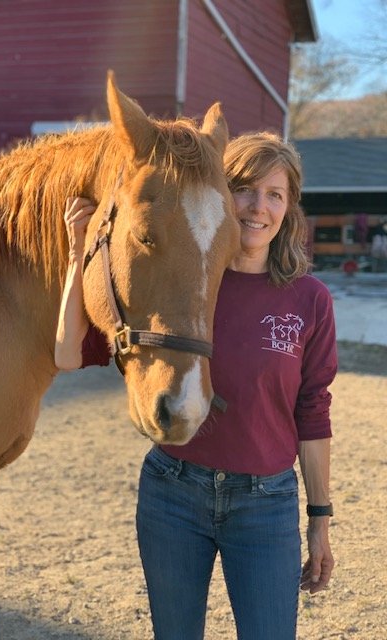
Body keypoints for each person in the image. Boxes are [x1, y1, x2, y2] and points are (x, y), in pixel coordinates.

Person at [55, 132, 337, 640]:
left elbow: (313, 411)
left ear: (289, 207)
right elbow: (67, 353)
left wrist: (319, 517)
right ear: (219, 194)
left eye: (275, 194)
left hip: (265, 505)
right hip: (173, 496)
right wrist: (79, 251)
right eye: (245, 188)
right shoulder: (183, 281)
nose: (258, 207)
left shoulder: (309, 301)